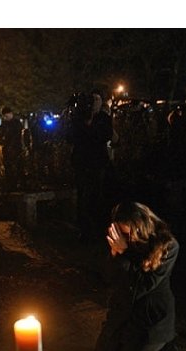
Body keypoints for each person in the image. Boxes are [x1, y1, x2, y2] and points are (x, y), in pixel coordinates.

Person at [92, 202, 179, 351]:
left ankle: (160, 348)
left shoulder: (167, 246)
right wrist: (115, 254)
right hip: (123, 311)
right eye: (122, 233)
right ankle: (128, 346)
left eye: (128, 233)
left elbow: (141, 287)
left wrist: (123, 253)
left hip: (150, 318)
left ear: (140, 226)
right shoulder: (120, 240)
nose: (125, 237)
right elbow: (109, 276)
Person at [70, 89, 113, 241]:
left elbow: (106, 135)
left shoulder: (104, 118)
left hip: (98, 161)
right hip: (82, 161)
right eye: (92, 99)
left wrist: (91, 129)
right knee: (82, 194)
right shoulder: (78, 117)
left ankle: (97, 227)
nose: (94, 103)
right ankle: (83, 228)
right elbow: (72, 137)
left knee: (97, 193)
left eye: (97, 99)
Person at [0, 106, 23, 188]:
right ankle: (10, 183)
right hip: (7, 148)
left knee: (18, 166)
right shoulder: (4, 124)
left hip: (16, 148)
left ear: (10, 114)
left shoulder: (16, 123)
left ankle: (18, 183)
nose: (5, 118)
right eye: (4, 116)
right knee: (8, 167)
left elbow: (16, 135)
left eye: (6, 116)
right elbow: (1, 134)